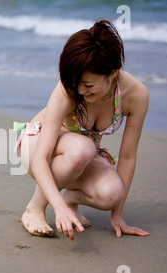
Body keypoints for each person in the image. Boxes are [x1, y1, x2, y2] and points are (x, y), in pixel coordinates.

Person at [14, 19, 150, 240]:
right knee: (84, 148)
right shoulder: (68, 89)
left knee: (112, 194)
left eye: (88, 85)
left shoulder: (136, 96)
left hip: (78, 157)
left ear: (113, 73)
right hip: (37, 145)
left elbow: (127, 157)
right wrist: (57, 208)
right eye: (75, 82)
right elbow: (41, 158)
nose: (79, 90)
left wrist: (117, 215)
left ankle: (71, 199)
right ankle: (34, 209)